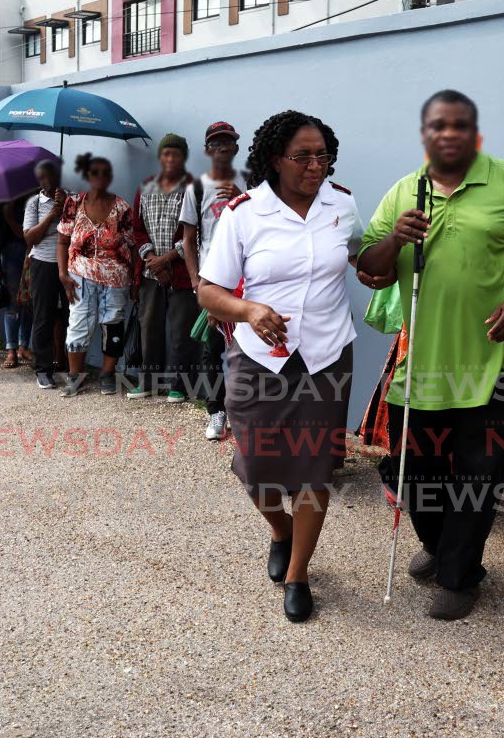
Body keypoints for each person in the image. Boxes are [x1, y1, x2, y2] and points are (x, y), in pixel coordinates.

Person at [356, 89, 504, 621]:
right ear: (425, 134)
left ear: (474, 133)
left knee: (480, 477)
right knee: (415, 474)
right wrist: (395, 240)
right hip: (419, 366)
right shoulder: (404, 191)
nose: (449, 134)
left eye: (460, 125)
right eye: (439, 125)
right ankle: (439, 546)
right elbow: (369, 268)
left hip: (494, 362)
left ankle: (459, 576)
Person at [198, 110, 361, 623]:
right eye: (303, 157)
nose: (316, 166)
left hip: (326, 356)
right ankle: (280, 530)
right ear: (275, 159)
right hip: (259, 357)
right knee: (255, 465)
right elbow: (208, 291)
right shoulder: (244, 213)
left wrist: (390, 254)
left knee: (315, 468)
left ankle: (298, 573)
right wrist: (249, 310)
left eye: (323, 156)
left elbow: (365, 261)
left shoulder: (343, 204)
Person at [181, 121, 247, 441]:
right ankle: (216, 411)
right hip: (212, 282)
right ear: (207, 150)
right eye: (216, 143)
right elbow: (188, 239)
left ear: (236, 148)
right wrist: (197, 283)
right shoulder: (196, 188)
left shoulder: (250, 183)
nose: (222, 148)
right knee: (211, 349)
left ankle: (243, 412)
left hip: (246, 283)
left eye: (227, 142)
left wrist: (242, 198)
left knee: (245, 350)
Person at [56, 154, 135, 397]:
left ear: (110, 177)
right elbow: (62, 241)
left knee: (113, 323)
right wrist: (62, 274)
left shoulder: (122, 208)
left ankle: (107, 374)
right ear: (87, 176)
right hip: (79, 274)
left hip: (116, 277)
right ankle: (75, 376)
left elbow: (132, 245)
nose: (100, 176)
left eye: (105, 172)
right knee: (78, 322)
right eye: (95, 172)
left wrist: (135, 280)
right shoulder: (73, 203)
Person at [129, 134, 199, 402]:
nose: (171, 159)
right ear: (160, 157)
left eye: (176, 154)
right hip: (150, 273)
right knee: (149, 328)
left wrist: (167, 259)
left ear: (184, 157)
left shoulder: (192, 187)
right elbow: (137, 229)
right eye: (167, 153)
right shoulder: (145, 187)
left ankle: (179, 386)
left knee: (181, 331)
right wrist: (153, 261)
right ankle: (148, 382)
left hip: (181, 273)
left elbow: (194, 232)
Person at [23, 159, 69, 390]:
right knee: (44, 317)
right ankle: (43, 369)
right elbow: (30, 238)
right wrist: (52, 214)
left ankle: (71, 366)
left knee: (72, 315)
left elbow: (79, 229)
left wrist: (65, 206)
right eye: (42, 178)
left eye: (50, 175)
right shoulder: (34, 203)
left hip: (70, 264)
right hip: (43, 262)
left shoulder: (71, 198)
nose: (47, 181)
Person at [0, 198, 33, 369]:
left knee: (29, 301)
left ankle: (23, 346)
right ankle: (11, 349)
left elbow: (28, 235)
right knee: (12, 302)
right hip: (9, 254)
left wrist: (10, 219)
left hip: (31, 251)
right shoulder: (2, 202)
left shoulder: (33, 200)